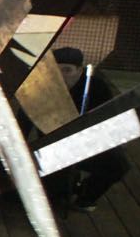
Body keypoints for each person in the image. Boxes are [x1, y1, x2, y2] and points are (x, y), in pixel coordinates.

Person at [46, 45, 129, 211]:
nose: (61, 76)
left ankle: (86, 196)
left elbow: (109, 118)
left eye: (67, 70)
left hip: (87, 141)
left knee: (118, 165)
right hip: (51, 145)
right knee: (54, 197)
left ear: (79, 70)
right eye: (57, 70)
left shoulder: (97, 86)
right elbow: (25, 121)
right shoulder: (43, 87)